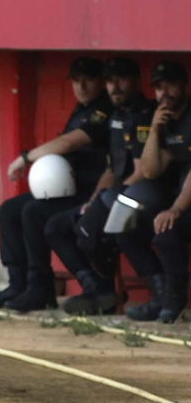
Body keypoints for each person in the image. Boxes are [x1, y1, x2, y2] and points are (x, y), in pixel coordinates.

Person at [0, 56, 111, 312]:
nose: (81, 87)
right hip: (67, 188)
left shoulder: (103, 111)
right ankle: (18, 283)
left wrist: (26, 157)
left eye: (88, 80)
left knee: (34, 212)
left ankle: (40, 287)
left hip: (89, 192)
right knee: (9, 210)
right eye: (76, 81)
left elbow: (69, 143)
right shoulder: (80, 109)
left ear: (101, 82)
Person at [48, 57, 153, 315]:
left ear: (137, 81)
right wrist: (93, 200)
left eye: (121, 80)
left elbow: (143, 172)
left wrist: (105, 198)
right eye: (109, 81)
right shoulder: (116, 117)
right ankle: (96, 288)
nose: (114, 87)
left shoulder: (146, 114)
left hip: (146, 194)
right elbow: (111, 169)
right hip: (116, 193)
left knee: (91, 230)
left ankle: (151, 293)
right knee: (57, 227)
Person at [116, 60, 191, 323]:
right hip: (179, 201)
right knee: (127, 229)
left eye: (170, 85)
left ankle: (174, 300)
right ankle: (160, 294)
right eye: (159, 87)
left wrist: (176, 209)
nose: (164, 92)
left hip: (185, 202)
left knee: (165, 235)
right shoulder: (165, 121)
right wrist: (155, 131)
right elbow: (150, 171)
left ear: (184, 85)